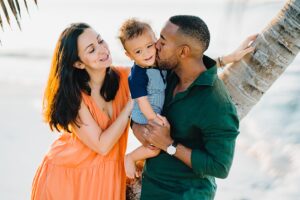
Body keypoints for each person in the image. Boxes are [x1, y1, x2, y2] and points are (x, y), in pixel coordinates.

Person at [131, 15, 257, 199]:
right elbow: (137, 99)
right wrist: (137, 127)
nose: (155, 45)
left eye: (163, 42)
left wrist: (169, 145)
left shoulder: (217, 103)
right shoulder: (166, 74)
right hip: (150, 190)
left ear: (183, 52)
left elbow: (219, 167)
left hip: (186, 195)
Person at [31, 23, 133, 200]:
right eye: (91, 50)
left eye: (100, 41)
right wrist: (131, 105)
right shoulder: (73, 96)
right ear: (78, 63)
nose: (102, 50)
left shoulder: (126, 78)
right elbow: (102, 145)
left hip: (107, 177)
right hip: (66, 179)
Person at [118, 19, 166, 179]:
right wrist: (154, 120)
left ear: (156, 41)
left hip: (155, 110)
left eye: (149, 46)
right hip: (143, 115)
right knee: (155, 147)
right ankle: (130, 157)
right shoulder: (137, 75)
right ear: (128, 55)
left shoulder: (159, 62)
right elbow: (142, 102)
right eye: (138, 51)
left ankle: (141, 160)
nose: (146, 54)